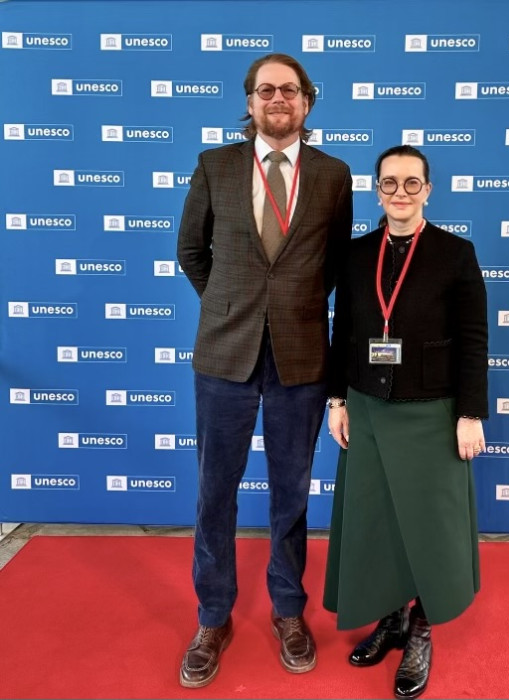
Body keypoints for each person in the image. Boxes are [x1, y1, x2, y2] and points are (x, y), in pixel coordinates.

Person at [176, 53, 353, 689]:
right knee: (213, 493)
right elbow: (191, 253)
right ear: (250, 103)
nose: (278, 99)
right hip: (225, 353)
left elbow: (333, 264)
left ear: (307, 102)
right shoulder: (214, 165)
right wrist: (231, 307)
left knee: (292, 494)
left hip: (302, 357)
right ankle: (213, 616)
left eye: (290, 90)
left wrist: (293, 308)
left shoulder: (334, 175)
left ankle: (287, 610)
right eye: (265, 90)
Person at [323, 145, 488, 699]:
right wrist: (337, 401)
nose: (400, 192)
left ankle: (422, 626)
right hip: (366, 408)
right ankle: (391, 616)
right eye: (389, 183)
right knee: (378, 520)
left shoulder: (454, 253)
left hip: (432, 412)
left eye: (411, 183)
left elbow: (473, 341)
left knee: (427, 525)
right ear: (377, 190)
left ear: (428, 190)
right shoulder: (354, 254)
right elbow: (343, 329)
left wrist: (469, 413)